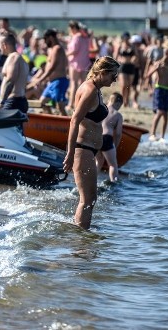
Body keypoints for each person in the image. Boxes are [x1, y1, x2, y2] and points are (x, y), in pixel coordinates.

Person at [64, 55, 120, 229]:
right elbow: (74, 120)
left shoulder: (95, 89)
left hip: (89, 149)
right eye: (113, 76)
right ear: (102, 73)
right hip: (82, 148)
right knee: (87, 199)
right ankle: (81, 239)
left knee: (90, 198)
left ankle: (82, 234)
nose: (115, 80)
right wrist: (70, 153)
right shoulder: (89, 90)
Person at [27, 29, 69, 115]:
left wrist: (40, 80)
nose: (45, 42)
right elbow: (46, 68)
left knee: (60, 106)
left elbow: (52, 68)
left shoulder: (58, 49)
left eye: (45, 39)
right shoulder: (52, 49)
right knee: (42, 102)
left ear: (50, 38)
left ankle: (68, 126)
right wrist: (36, 78)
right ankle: (51, 120)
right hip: (52, 83)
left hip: (59, 82)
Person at [146, 47, 168, 141]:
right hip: (159, 89)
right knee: (160, 111)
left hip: (167, 90)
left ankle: (162, 137)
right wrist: (155, 68)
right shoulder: (158, 63)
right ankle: (152, 134)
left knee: (166, 114)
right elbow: (148, 75)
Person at [0, 32, 29, 113]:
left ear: (4, 45)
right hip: (20, 101)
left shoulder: (13, 58)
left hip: (13, 102)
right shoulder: (21, 59)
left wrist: (2, 102)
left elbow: (10, 80)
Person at [96, 92, 123, 183]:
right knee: (112, 165)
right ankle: (114, 182)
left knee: (98, 161)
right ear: (118, 103)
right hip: (107, 138)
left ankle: (92, 181)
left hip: (96, 137)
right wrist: (115, 145)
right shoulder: (117, 115)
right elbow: (118, 133)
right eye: (120, 105)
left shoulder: (101, 109)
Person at [66, 21, 91, 112]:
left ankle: (71, 104)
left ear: (73, 28)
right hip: (84, 63)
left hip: (75, 63)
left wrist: (66, 54)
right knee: (83, 85)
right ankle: (81, 104)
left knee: (73, 84)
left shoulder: (76, 37)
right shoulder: (85, 37)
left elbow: (74, 50)